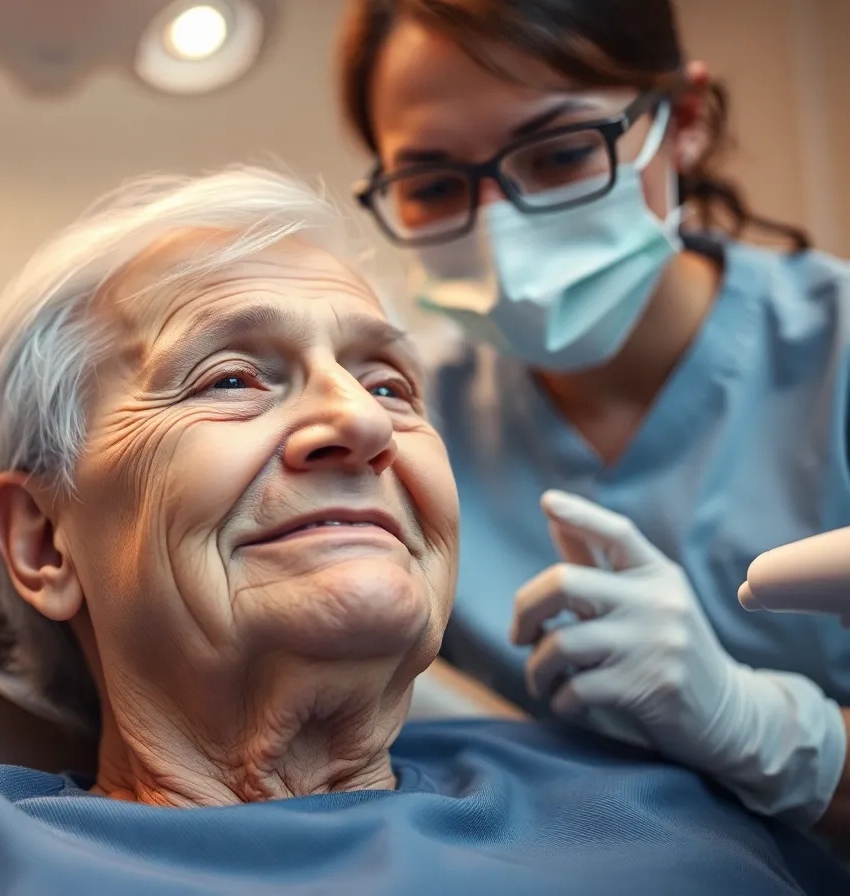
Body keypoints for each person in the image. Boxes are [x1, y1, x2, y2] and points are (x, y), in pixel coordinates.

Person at [0, 168, 850, 895]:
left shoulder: (655, 789)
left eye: (389, 382)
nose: (360, 421)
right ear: (42, 541)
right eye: (229, 378)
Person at [336, 0, 850, 834]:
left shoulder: (835, 357)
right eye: (433, 184)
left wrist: (766, 730)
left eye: (564, 151)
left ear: (682, 121)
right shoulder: (404, 426)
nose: (502, 227)